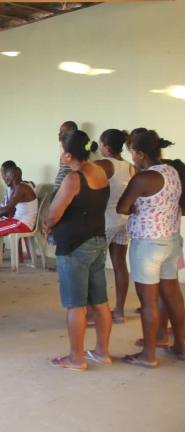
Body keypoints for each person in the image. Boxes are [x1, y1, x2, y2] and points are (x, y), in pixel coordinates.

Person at [43, 130, 111, 371]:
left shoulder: (74, 178)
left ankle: (76, 358)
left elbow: (54, 214)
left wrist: (48, 225)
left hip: (74, 245)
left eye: (62, 151)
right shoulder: (100, 171)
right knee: (100, 301)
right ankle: (102, 352)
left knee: (75, 304)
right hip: (97, 241)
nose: (61, 155)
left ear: (69, 154)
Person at [117, 129, 185, 368]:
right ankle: (181, 346)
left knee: (149, 301)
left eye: (133, 152)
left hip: (147, 244)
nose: (132, 157)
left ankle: (148, 354)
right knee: (172, 295)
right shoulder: (173, 172)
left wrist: (134, 206)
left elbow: (122, 207)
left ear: (141, 153)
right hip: (172, 240)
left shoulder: (143, 179)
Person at [94, 129, 135, 324]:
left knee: (95, 267)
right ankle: (119, 310)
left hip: (105, 222)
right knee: (119, 265)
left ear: (107, 147)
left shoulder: (102, 164)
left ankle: (96, 312)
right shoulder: (130, 167)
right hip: (123, 221)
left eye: (100, 144)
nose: (99, 147)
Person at [0, 167, 38, 271]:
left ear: (13, 176)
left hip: (22, 223)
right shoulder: (18, 187)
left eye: (6, 177)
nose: (5, 179)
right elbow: (7, 208)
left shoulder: (21, 188)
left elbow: (7, 210)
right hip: (17, 220)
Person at [53, 121, 78, 198]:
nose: (59, 134)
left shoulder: (74, 149)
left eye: (62, 132)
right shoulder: (65, 147)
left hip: (65, 192)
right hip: (61, 190)